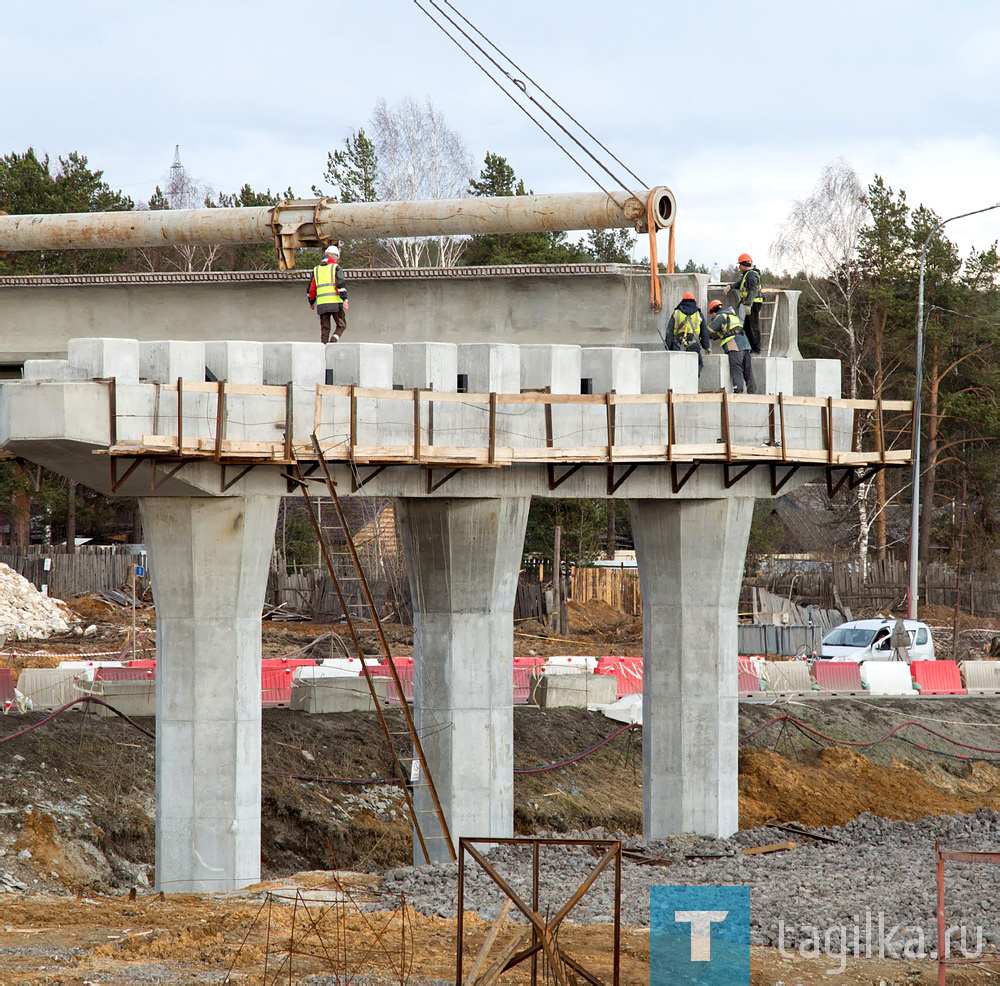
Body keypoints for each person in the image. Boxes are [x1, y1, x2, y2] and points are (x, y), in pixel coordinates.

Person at [708, 300, 756, 394]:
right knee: (748, 370)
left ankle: (738, 392)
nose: (712, 316)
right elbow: (730, 330)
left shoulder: (721, 316)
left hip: (734, 346)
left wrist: (703, 338)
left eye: (712, 313)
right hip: (745, 345)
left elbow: (709, 331)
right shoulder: (735, 316)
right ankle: (752, 392)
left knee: (736, 369)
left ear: (714, 311)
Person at [308, 245, 348, 344]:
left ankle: (323, 348)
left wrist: (311, 302)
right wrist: (345, 300)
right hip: (335, 303)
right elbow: (340, 285)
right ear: (335, 256)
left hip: (322, 304)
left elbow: (311, 288)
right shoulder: (336, 267)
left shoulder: (316, 269)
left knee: (325, 328)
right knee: (342, 325)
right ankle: (332, 343)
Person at [665, 292, 711, 373]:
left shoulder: (676, 313)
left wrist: (668, 346)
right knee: (697, 365)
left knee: (677, 367)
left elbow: (670, 332)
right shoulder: (698, 314)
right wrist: (706, 347)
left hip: (678, 344)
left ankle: (678, 384)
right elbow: (704, 332)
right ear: (694, 301)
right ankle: (693, 383)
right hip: (693, 344)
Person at [730, 253, 764, 353]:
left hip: (753, 304)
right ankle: (751, 348)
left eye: (740, 265)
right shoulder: (747, 275)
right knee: (747, 327)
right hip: (750, 304)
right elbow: (741, 283)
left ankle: (756, 349)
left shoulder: (752, 275)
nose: (739, 267)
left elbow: (753, 290)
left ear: (744, 265)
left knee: (754, 327)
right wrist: (731, 286)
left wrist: (749, 305)